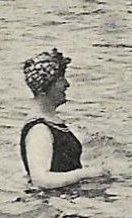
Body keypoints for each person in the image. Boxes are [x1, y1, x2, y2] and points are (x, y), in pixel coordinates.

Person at [20, 49, 105, 189]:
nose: (67, 84)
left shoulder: (52, 122)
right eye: (60, 80)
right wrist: (85, 174)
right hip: (52, 206)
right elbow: (41, 180)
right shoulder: (39, 129)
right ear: (44, 88)